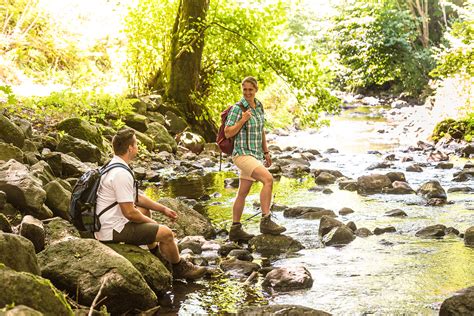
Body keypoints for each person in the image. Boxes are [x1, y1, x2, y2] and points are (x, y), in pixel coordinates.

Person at [95, 128, 206, 280]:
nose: (138, 147)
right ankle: (179, 268)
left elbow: (137, 198)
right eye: (136, 144)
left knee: (145, 211)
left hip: (106, 222)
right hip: (111, 229)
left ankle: (157, 255)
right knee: (166, 233)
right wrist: (157, 225)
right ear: (130, 148)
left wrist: (163, 209)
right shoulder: (121, 174)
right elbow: (129, 213)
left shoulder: (113, 165)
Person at [224, 76, 286, 242]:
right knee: (268, 179)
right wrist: (242, 120)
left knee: (242, 192)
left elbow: (261, 131)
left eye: (250, 89)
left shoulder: (259, 106)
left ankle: (235, 229)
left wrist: (266, 152)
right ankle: (266, 221)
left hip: (255, 154)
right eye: (245, 89)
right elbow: (228, 132)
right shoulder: (237, 109)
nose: (247, 92)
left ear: (256, 90)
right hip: (242, 154)